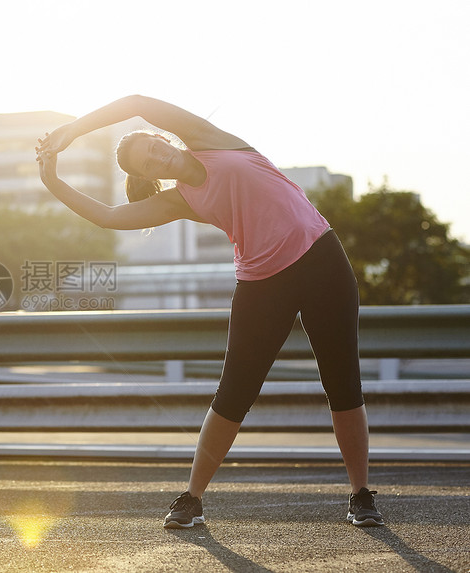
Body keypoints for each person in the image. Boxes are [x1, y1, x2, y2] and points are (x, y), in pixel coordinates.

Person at [35, 94, 384, 528]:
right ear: (151, 175)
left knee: (343, 382)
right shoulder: (179, 201)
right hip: (262, 282)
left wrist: (72, 129)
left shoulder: (209, 139)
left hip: (321, 261)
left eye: (153, 145)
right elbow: (108, 216)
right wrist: (53, 183)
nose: (158, 154)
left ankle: (361, 496)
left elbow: (136, 101)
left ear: (162, 136)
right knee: (234, 392)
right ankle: (191, 499)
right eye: (148, 162)